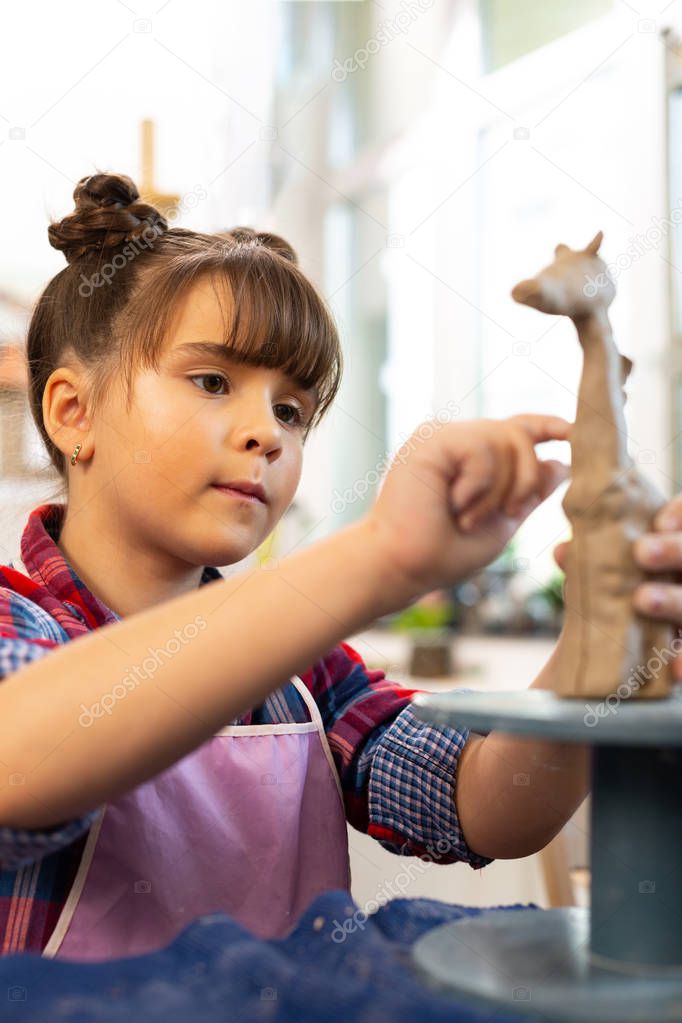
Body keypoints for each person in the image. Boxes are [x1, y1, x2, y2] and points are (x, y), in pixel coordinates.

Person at [0, 171, 674, 963]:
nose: (267, 433)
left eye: (292, 409)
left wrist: (604, 635)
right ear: (72, 412)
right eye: (213, 381)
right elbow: (23, 758)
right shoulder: (20, 626)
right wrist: (382, 554)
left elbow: (485, 806)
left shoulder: (303, 672)